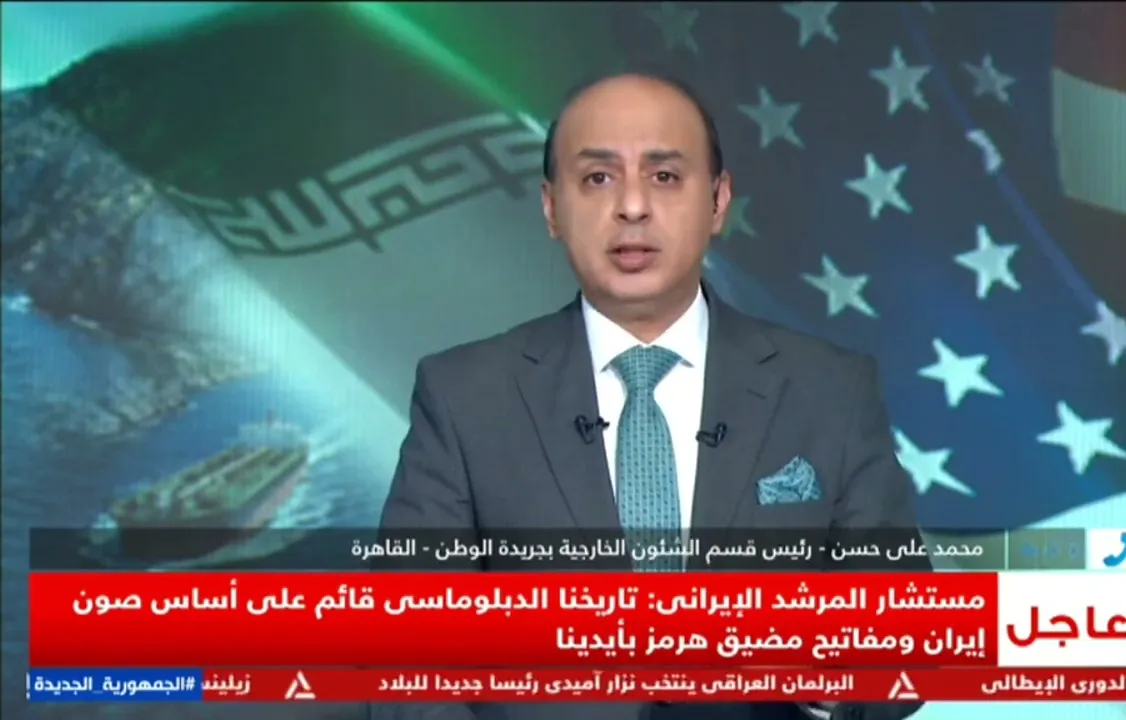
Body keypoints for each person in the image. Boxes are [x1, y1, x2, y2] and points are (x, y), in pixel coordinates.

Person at [374, 72, 928, 720]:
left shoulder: (831, 391)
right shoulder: (464, 397)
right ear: (551, 208)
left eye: (665, 176)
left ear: (718, 201)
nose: (632, 206)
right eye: (597, 178)